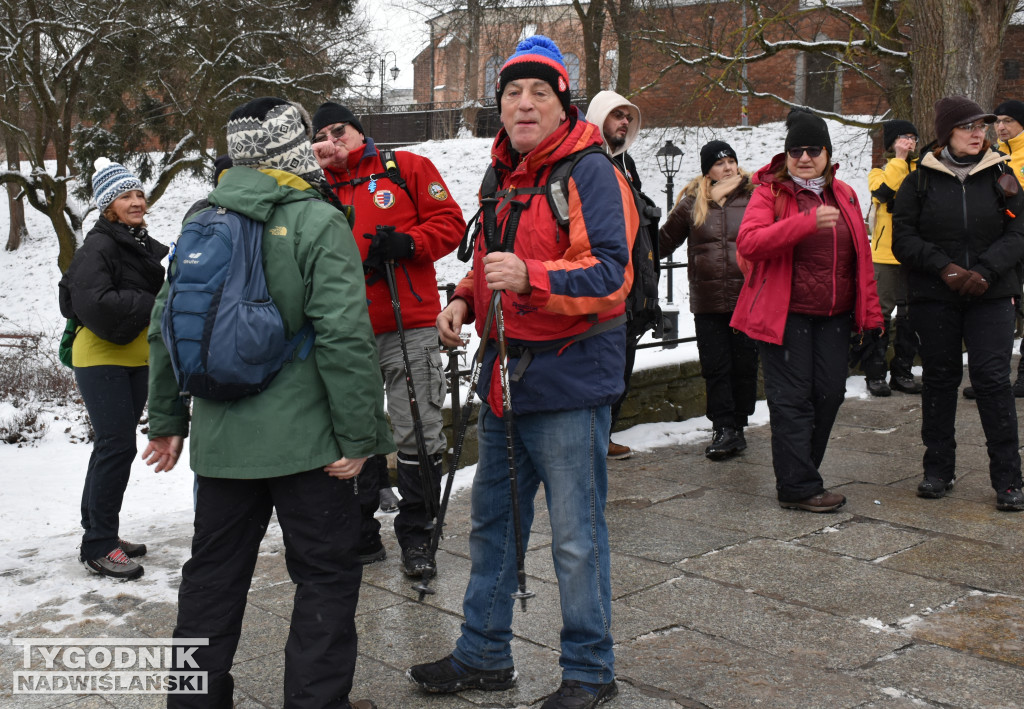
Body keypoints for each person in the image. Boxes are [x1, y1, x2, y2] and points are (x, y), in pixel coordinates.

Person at [408, 35, 636, 709]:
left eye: (540, 91)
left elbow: (612, 275)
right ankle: (484, 654)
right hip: (506, 380)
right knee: (492, 527)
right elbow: (489, 262)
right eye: (513, 92)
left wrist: (530, 277)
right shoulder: (501, 174)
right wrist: (462, 299)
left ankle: (591, 671)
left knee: (574, 537)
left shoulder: (590, 172)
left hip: (568, 380)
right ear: (499, 106)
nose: (525, 103)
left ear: (564, 102)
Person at [143, 97, 391, 709]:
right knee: (326, 577)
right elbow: (342, 335)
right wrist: (361, 437)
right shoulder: (316, 219)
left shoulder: (202, 217)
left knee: (211, 579)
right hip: (311, 446)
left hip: (224, 444)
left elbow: (165, 325)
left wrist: (170, 420)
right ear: (294, 148)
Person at [311, 102, 465, 576]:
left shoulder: (406, 168)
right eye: (322, 137)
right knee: (349, 434)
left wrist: (408, 243)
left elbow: (451, 223)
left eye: (341, 132)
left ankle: (418, 536)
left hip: (409, 325)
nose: (333, 142)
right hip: (341, 331)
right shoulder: (312, 188)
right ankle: (359, 532)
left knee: (417, 431)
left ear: (360, 132)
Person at [730, 108, 882, 513]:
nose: (804, 157)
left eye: (813, 149)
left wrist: (871, 314)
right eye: (795, 149)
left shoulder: (845, 193)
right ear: (786, 155)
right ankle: (798, 485)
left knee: (830, 394)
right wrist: (805, 223)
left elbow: (861, 259)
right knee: (792, 399)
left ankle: (800, 474)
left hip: (834, 315)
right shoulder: (769, 193)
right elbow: (750, 242)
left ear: (827, 153)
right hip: (785, 316)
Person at [891, 95, 1024, 511]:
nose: (977, 133)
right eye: (968, 126)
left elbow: (1019, 233)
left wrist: (984, 271)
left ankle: (1008, 479)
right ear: (947, 131)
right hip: (936, 297)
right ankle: (937, 470)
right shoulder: (918, 180)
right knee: (940, 379)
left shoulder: (1002, 175)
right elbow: (904, 238)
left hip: (992, 295)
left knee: (991, 381)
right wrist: (945, 268)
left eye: (982, 126)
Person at [58, 159, 167, 581]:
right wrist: (154, 304)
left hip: (133, 358)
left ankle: (101, 534)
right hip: (102, 357)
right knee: (115, 446)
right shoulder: (99, 246)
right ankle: (98, 546)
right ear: (108, 206)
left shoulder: (134, 242)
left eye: (139, 194)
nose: (136, 201)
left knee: (112, 446)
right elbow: (93, 302)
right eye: (125, 196)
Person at [659, 140, 758, 460]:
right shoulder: (692, 203)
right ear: (708, 170)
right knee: (716, 367)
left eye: (731, 161)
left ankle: (738, 425)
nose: (727, 167)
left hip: (748, 297)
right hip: (708, 300)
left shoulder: (755, 197)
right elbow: (661, 243)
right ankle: (723, 427)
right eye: (719, 163)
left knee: (744, 365)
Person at [585, 89, 646, 460]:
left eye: (628, 116)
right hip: (601, 284)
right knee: (600, 369)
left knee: (621, 368)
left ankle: (605, 433)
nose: (624, 121)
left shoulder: (627, 165)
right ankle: (595, 436)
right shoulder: (588, 164)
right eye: (617, 115)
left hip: (630, 284)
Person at [854, 119, 923, 397]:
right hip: (885, 256)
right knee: (879, 315)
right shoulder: (879, 172)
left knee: (911, 316)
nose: (910, 142)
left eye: (913, 137)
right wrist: (900, 160)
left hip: (915, 256)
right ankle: (875, 373)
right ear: (892, 143)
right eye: (903, 137)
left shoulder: (924, 171)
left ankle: (903, 371)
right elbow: (884, 193)